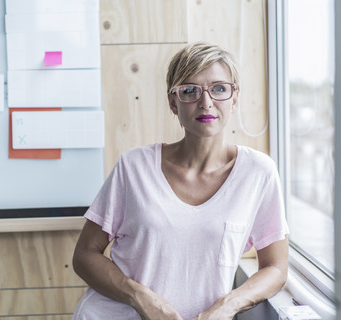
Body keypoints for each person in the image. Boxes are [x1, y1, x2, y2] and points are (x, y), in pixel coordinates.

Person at [72, 42, 289, 320]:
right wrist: (142, 298)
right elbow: (85, 255)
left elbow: (275, 268)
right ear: (173, 103)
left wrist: (228, 305)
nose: (206, 102)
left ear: (234, 99)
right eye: (190, 91)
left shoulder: (259, 173)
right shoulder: (133, 166)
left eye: (219, 89)